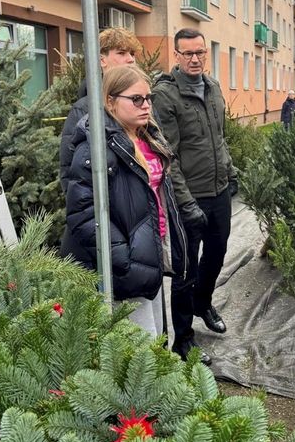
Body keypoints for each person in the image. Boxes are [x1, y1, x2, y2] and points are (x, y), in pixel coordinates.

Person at [63, 65, 190, 343]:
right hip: (129, 267)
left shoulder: (147, 138)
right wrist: (125, 262)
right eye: (136, 99)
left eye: (148, 98)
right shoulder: (96, 147)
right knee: (139, 349)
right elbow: (83, 214)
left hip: (150, 253)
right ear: (110, 101)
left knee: (158, 339)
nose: (146, 106)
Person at [152, 28, 237, 357]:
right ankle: (184, 339)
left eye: (200, 52)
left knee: (216, 256)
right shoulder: (166, 96)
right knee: (185, 271)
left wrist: (230, 173)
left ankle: (204, 304)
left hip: (219, 193)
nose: (195, 58)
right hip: (190, 200)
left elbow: (220, 138)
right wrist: (186, 204)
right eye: (187, 53)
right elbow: (167, 156)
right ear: (176, 55)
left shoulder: (213, 88)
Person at [59, 27, 141, 194]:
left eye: (132, 54)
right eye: (122, 53)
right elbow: (70, 172)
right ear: (102, 60)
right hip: (108, 210)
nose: (130, 59)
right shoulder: (85, 109)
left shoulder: (145, 102)